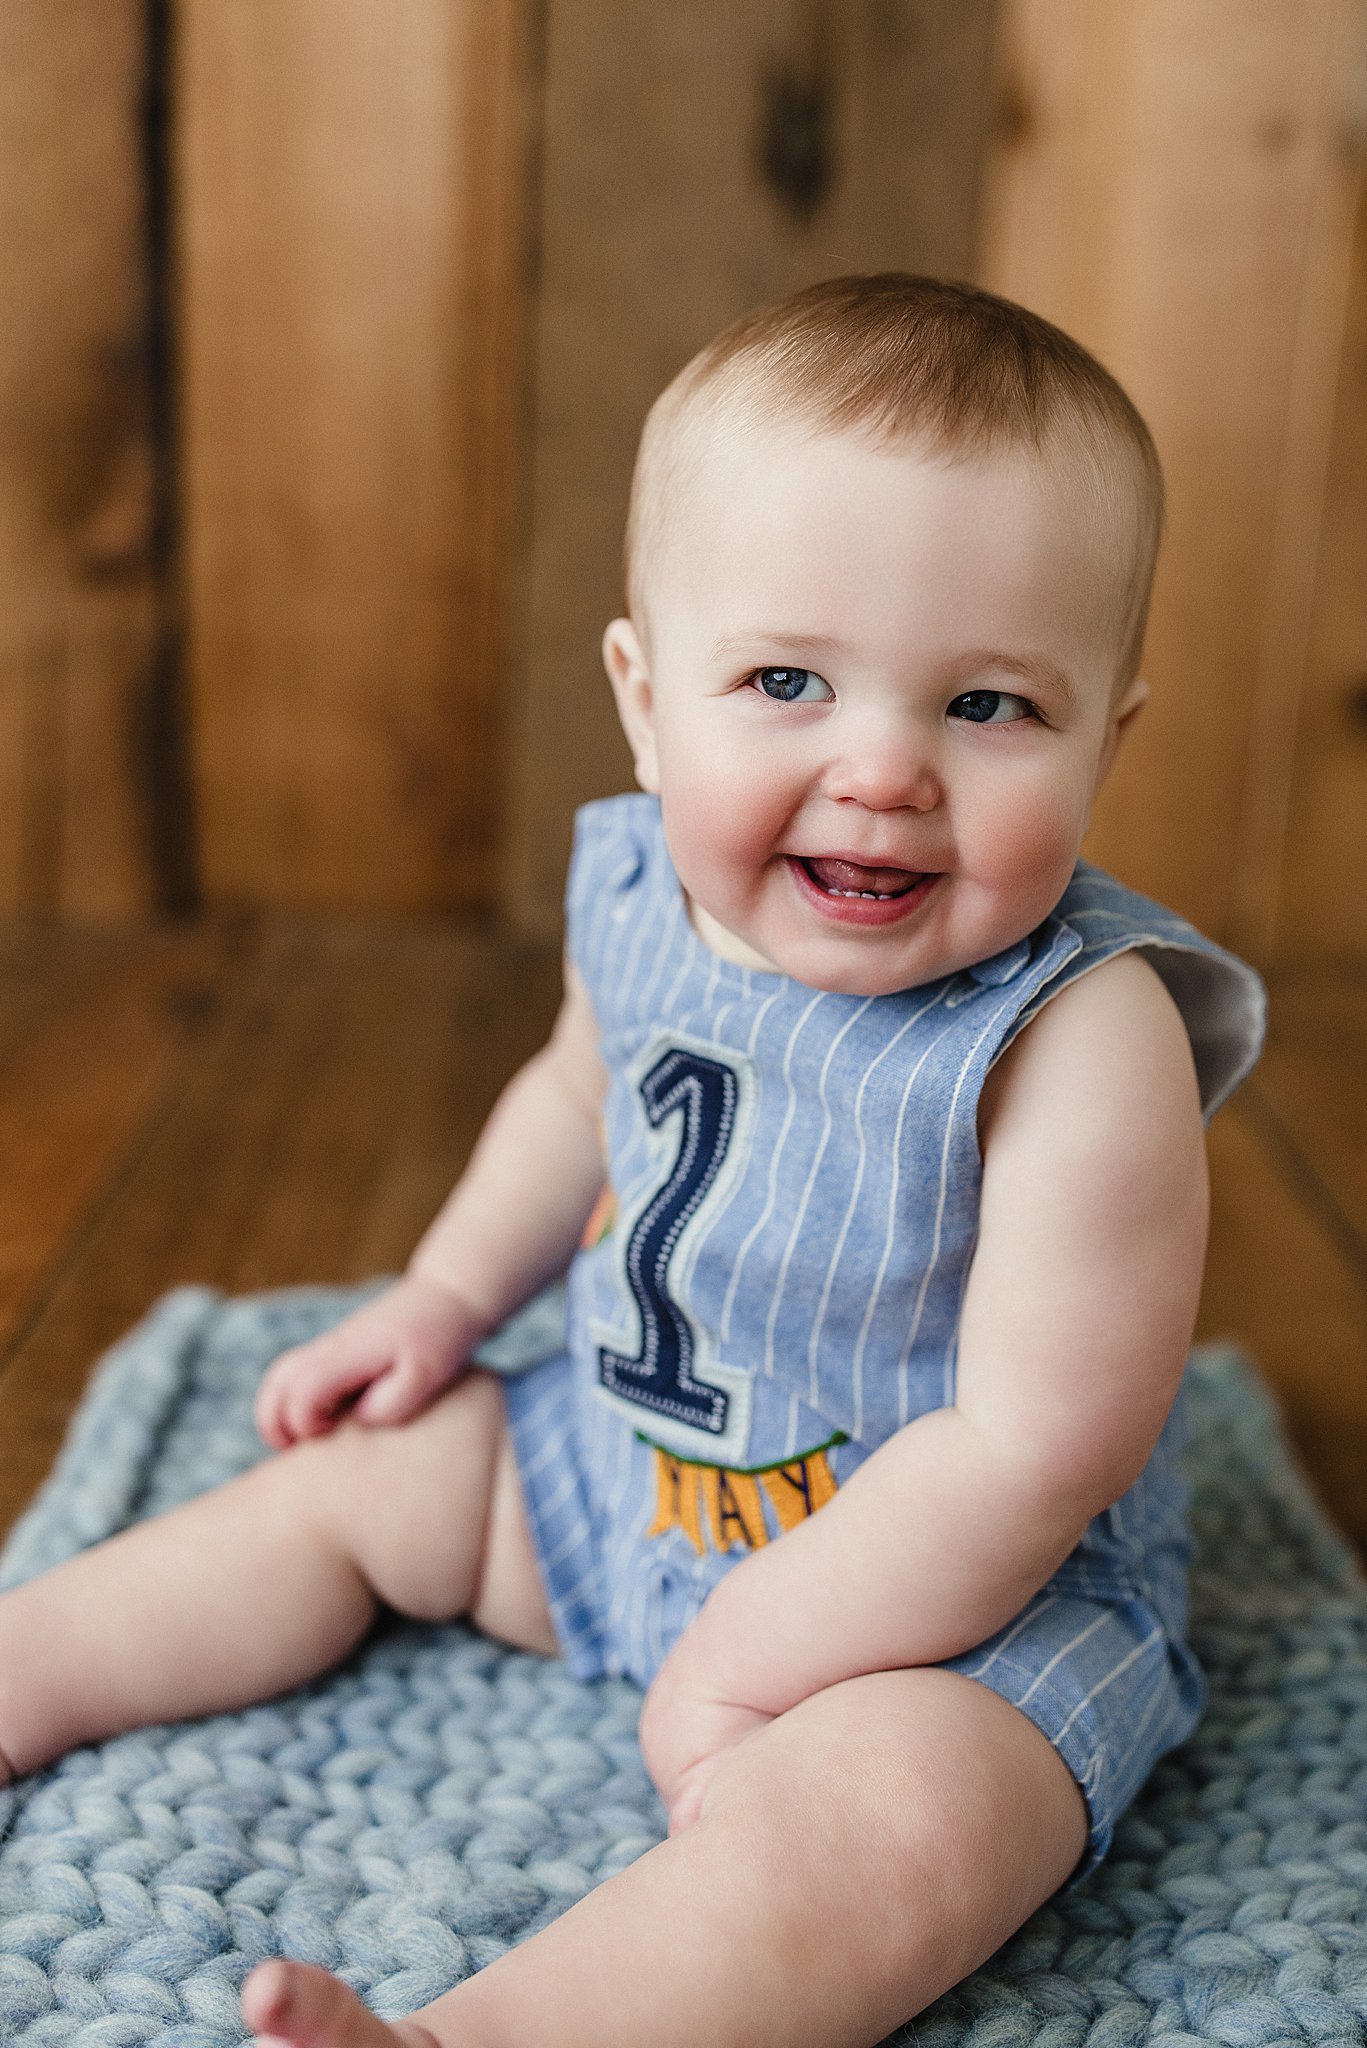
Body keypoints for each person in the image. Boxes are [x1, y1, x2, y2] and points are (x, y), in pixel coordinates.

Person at [0, 276, 1264, 2048]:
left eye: (989, 706)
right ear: (648, 700)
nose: (883, 768)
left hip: (954, 1596)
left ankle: (480, 2037)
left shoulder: (1078, 1035)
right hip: (627, 1473)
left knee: (895, 1828)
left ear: (1105, 741)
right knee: (353, 1485)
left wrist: (752, 1657)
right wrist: (444, 1298)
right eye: (786, 681)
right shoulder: (641, 889)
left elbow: (1037, 1448)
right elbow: (575, 1094)